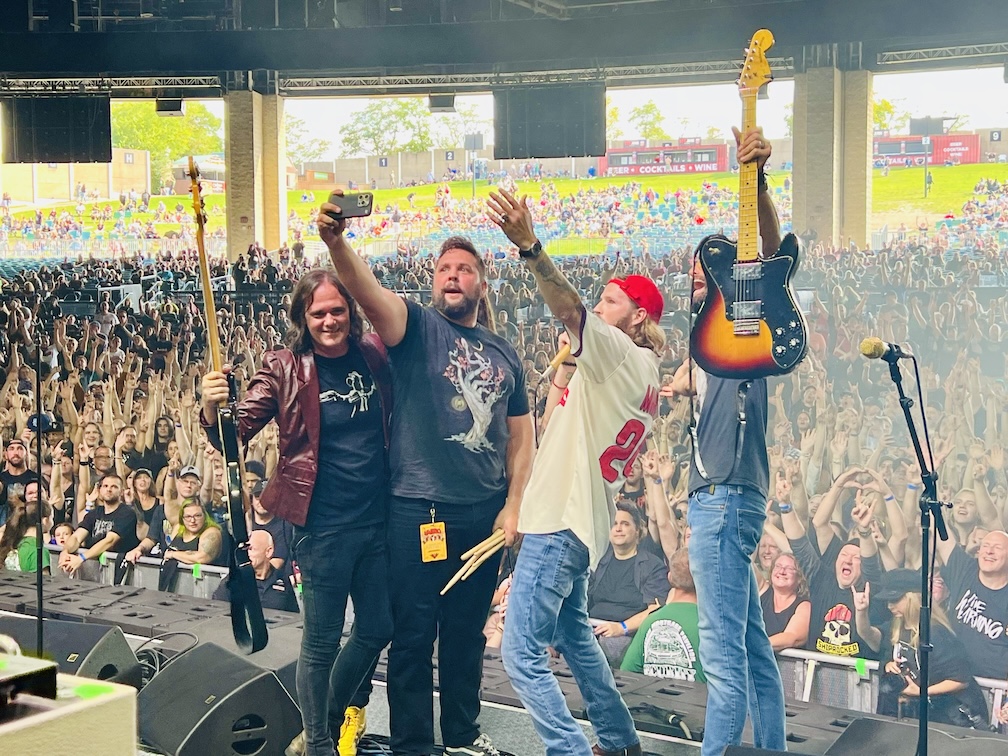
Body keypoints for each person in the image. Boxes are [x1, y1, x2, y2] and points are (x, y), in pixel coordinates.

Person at [319, 197, 534, 756]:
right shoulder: (415, 327)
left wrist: (514, 505)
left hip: (482, 517)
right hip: (419, 511)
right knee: (413, 635)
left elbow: (521, 438)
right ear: (433, 283)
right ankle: (415, 745)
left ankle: (461, 736)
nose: (454, 276)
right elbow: (366, 292)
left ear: (482, 284)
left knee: (465, 637)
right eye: (444, 269)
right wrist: (337, 243)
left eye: (465, 269)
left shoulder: (504, 353)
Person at [486, 185, 664, 756]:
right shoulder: (633, 371)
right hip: (577, 525)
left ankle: (566, 748)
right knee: (576, 642)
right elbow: (554, 420)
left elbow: (566, 307)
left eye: (609, 302)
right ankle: (618, 741)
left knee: (519, 653)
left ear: (636, 317)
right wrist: (564, 364)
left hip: (559, 522)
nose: (597, 309)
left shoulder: (618, 350)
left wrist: (531, 247)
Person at [202, 267, 393, 756]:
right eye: (318, 313)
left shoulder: (372, 353)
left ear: (351, 313)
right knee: (323, 639)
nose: (329, 321)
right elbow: (231, 436)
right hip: (322, 524)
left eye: (337, 311)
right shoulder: (284, 367)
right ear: (302, 319)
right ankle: (322, 744)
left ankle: (323, 721)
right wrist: (210, 407)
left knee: (376, 628)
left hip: (377, 519)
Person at [667, 127, 788, 756]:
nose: (694, 276)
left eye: (703, 269)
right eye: (692, 267)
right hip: (723, 496)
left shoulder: (743, 323)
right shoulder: (705, 346)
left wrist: (757, 180)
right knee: (748, 646)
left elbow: (767, 253)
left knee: (720, 652)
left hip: (725, 497)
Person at [869, 569, 989, 728]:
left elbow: (961, 680)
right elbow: (881, 649)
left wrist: (922, 691)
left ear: (912, 598)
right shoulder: (897, 626)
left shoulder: (937, 633)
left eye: (895, 599)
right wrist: (888, 664)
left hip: (953, 717)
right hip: (927, 714)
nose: (890, 605)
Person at [588, 503, 670, 666]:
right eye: (614, 524)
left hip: (625, 635)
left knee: (611, 646)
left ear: (638, 531)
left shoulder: (652, 565)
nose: (618, 529)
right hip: (592, 629)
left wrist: (622, 627)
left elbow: (655, 610)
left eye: (625, 524)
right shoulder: (599, 561)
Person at [620, 548, 705, 682]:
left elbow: (626, 675)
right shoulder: (711, 625)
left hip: (652, 701)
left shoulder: (649, 622)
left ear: (670, 577)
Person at [58, 471, 138, 581]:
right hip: (93, 572)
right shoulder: (94, 513)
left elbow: (109, 541)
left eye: (114, 486)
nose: (109, 489)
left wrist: (81, 558)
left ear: (121, 492)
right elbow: (77, 536)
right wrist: (65, 551)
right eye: (105, 486)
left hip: (118, 574)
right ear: (99, 490)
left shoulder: (127, 513)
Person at [213, 529, 299, 613]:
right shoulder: (232, 582)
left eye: (251, 549)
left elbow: (293, 618)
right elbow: (216, 615)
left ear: (269, 552)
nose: (246, 554)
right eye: (244, 550)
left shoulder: (283, 580)